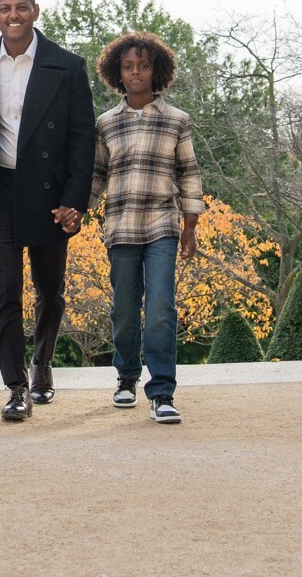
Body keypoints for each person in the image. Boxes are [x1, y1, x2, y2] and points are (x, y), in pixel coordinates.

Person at [0, 0, 95, 421]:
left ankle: (42, 363)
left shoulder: (67, 66)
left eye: (22, 7)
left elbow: (83, 140)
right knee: (3, 290)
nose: (14, 15)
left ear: (35, 11)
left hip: (48, 193)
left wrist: (74, 200)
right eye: (5, 8)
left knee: (49, 290)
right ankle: (16, 385)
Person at [91, 31, 203, 426]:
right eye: (128, 67)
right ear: (116, 74)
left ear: (157, 71)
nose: (135, 72)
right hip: (121, 227)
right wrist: (72, 211)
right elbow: (97, 176)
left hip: (161, 226)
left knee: (160, 308)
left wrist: (189, 227)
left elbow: (189, 174)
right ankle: (125, 376)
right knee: (124, 310)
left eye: (143, 65)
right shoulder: (106, 123)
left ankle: (162, 392)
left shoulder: (176, 121)